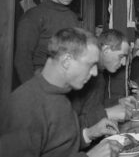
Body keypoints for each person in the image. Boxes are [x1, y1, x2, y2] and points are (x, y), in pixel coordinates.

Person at [0, 28, 123, 157]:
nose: (95, 73)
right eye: (91, 65)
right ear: (66, 61)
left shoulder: (60, 94)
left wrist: (89, 133)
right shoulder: (24, 106)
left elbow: (57, 148)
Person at [14, 0, 81, 83]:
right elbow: (22, 59)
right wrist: (32, 90)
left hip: (67, 80)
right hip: (41, 79)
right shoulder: (34, 15)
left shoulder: (72, 17)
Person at [69, 29, 137, 128]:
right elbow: (69, 126)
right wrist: (107, 113)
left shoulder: (100, 74)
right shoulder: (82, 77)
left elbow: (96, 105)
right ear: (105, 50)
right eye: (121, 56)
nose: (123, 63)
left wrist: (118, 101)